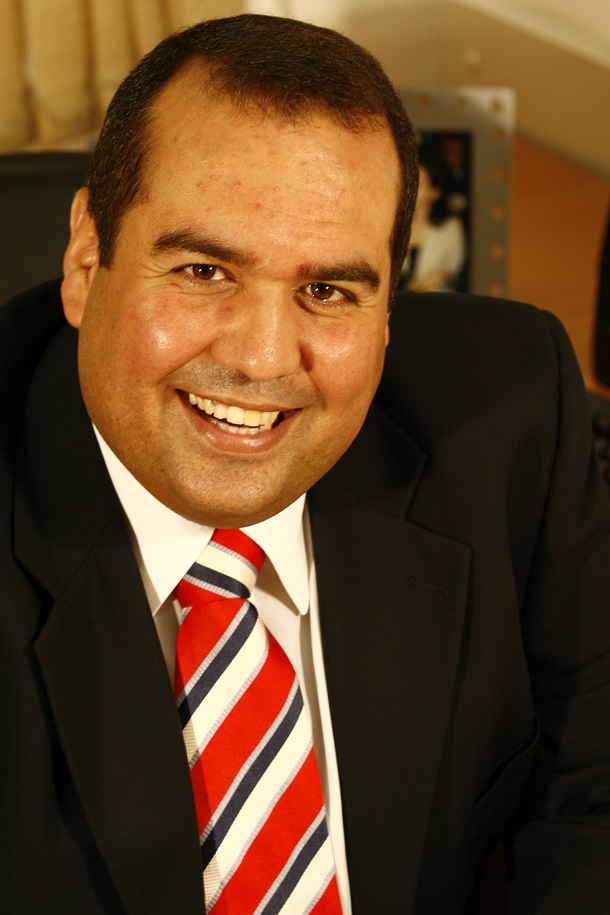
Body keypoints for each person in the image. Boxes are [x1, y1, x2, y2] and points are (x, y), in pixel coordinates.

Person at [1, 13, 610, 915]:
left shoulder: (510, 411)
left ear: (390, 303)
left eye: (326, 290)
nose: (262, 359)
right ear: (89, 259)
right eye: (204, 271)